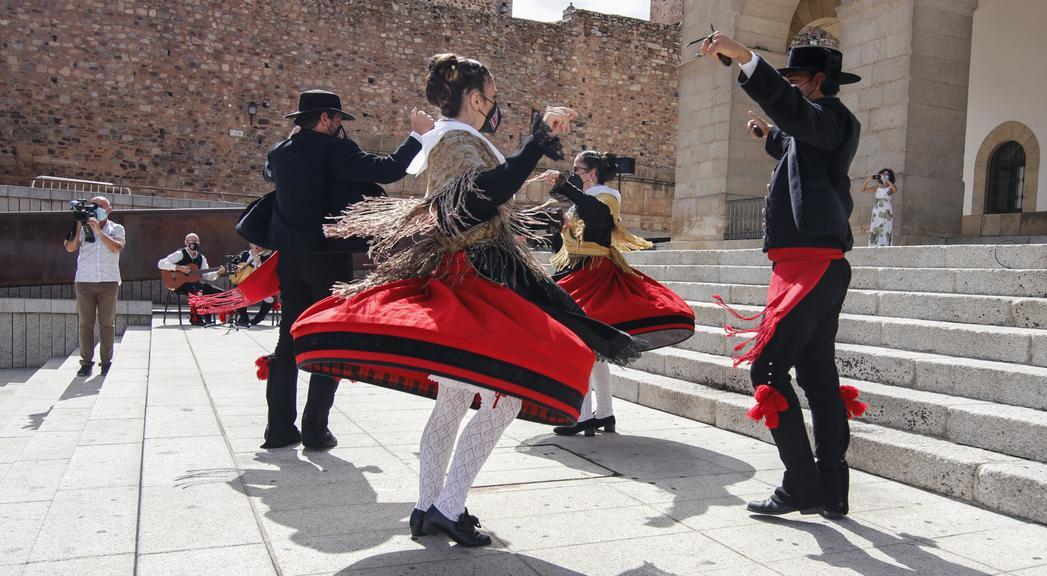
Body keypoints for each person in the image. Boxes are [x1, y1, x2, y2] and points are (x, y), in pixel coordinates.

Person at [290, 54, 638, 547]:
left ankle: (428, 507)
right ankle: (447, 506)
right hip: (479, 277)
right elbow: (473, 200)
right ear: (476, 99)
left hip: (471, 272)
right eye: (492, 99)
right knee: (503, 398)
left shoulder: (455, 139)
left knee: (454, 398)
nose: (493, 108)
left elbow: (481, 197)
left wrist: (530, 150)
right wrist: (533, 144)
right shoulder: (456, 139)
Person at [701, 29, 867, 520]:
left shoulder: (833, 118)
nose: (789, 90)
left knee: (768, 370)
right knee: (816, 375)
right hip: (807, 266)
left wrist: (747, 58)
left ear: (819, 81)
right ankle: (832, 487)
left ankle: (801, 483)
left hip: (811, 268)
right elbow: (797, 143)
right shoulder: (816, 127)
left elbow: (801, 123)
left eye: (794, 82)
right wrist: (767, 136)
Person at [259, 89, 434, 450]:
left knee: (287, 340)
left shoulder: (280, 151)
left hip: (290, 259)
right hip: (327, 256)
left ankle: (278, 430)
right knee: (328, 337)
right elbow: (387, 170)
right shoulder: (335, 150)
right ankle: (315, 428)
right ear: (325, 118)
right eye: (338, 119)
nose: (341, 126)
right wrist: (416, 134)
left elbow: (269, 172)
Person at [546, 150, 695, 437]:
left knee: (582, 342)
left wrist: (564, 186)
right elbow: (575, 236)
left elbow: (598, 217)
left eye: (577, 168)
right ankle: (604, 413)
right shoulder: (584, 200)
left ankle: (582, 415)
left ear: (591, 172)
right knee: (593, 348)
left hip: (594, 274)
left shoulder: (606, 197)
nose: (574, 172)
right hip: (580, 269)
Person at [63, 195, 125, 377]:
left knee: (107, 324)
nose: (95, 209)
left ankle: (106, 363)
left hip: (109, 282)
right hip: (85, 281)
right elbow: (70, 247)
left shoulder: (117, 228)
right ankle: (86, 363)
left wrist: (99, 232)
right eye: (93, 206)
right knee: (85, 324)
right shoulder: (82, 227)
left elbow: (117, 247)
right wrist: (78, 224)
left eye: (99, 206)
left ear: (109, 210)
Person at [157, 233, 224, 325]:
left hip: (195, 284)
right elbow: (161, 263)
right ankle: (196, 318)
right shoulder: (180, 254)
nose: (194, 243)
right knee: (197, 290)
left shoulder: (201, 258)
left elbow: (207, 276)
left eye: (196, 241)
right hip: (178, 285)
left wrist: (217, 273)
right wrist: (178, 268)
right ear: (186, 242)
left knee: (216, 292)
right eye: (191, 241)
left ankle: (208, 316)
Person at [229, 244, 275, 325]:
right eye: (255, 243)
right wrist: (236, 267)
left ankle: (259, 318)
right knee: (235, 293)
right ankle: (244, 317)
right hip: (243, 284)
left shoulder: (266, 256)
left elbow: (268, 272)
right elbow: (230, 265)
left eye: (260, 244)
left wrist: (258, 263)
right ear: (250, 244)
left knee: (270, 298)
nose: (258, 245)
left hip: (260, 285)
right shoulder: (243, 255)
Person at [862, 168, 897, 246]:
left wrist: (886, 180)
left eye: (886, 174)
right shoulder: (877, 188)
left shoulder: (890, 187)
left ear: (890, 176)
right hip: (877, 211)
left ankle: (885, 244)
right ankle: (874, 245)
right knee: (876, 227)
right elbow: (863, 189)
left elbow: (894, 190)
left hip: (886, 210)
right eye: (883, 174)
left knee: (885, 227)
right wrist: (868, 180)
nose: (884, 175)